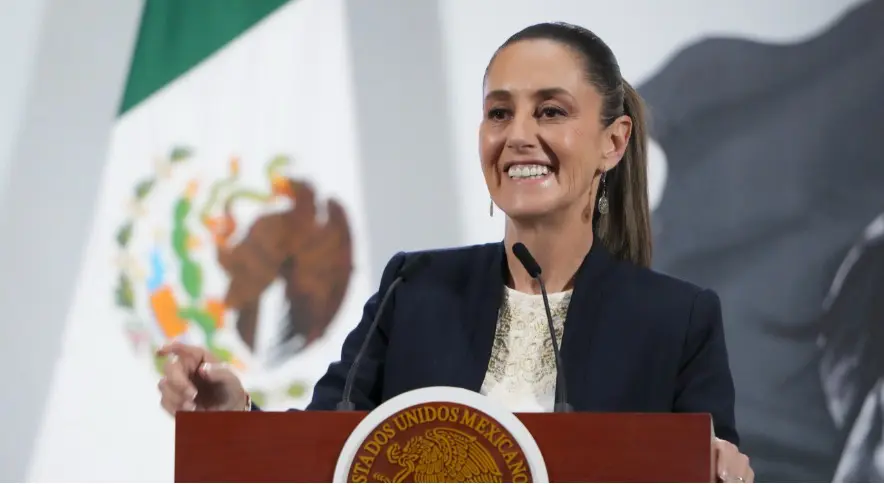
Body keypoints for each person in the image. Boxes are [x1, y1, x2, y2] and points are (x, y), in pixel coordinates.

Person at [156, 22, 754, 482]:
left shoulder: (679, 320)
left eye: (550, 111)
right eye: (499, 112)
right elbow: (326, 454)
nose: (518, 134)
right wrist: (233, 419)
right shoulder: (413, 288)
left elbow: (712, 467)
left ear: (613, 142)